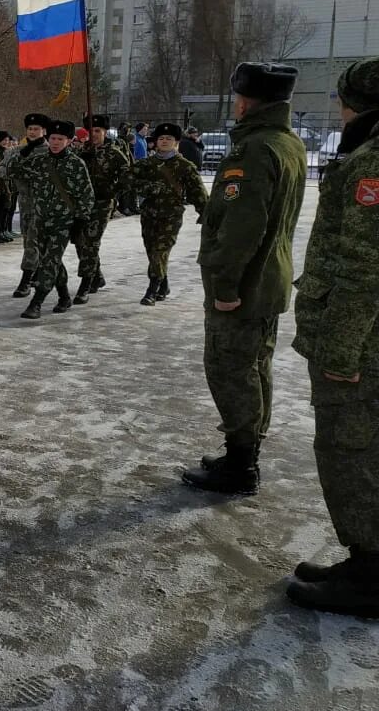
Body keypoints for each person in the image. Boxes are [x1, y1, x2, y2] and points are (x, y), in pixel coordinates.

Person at [182, 63, 306, 495]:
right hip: (269, 281)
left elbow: (241, 227)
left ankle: (241, 465)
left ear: (245, 100)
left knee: (231, 370)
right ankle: (244, 451)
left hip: (246, 287)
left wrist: (225, 288)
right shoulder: (287, 143)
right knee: (255, 368)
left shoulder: (253, 149)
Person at [286, 58, 379, 617]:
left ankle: (371, 576)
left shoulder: (371, 165)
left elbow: (365, 265)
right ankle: (368, 559)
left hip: (363, 343)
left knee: (352, 450)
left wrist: (341, 349)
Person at [16, 119, 95, 320]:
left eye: (61, 139)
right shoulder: (39, 160)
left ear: (69, 141)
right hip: (41, 220)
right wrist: (23, 152)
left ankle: (37, 302)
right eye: (52, 138)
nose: (56, 142)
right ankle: (64, 297)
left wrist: (81, 219)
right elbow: (12, 171)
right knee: (49, 260)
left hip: (64, 221)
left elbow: (86, 195)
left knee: (50, 260)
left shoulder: (76, 164)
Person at [132, 122, 208, 306]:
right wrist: (147, 187)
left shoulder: (185, 166)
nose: (164, 141)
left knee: (160, 251)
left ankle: (153, 288)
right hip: (149, 214)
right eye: (161, 138)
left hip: (171, 215)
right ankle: (164, 284)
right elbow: (128, 179)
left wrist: (207, 215)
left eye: (169, 139)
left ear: (176, 142)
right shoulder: (147, 164)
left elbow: (198, 192)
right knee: (152, 250)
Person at [73, 114, 130, 303]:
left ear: (105, 132)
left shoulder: (114, 153)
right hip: (82, 204)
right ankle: (97, 276)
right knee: (80, 241)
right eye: (90, 131)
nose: (94, 134)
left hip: (103, 203)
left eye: (97, 131)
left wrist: (112, 190)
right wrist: (83, 158)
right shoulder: (82, 152)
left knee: (91, 241)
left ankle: (86, 282)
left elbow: (128, 176)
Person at [1, 113, 49, 296]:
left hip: (45, 204)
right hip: (25, 204)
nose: (33, 132)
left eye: (36, 129)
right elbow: (0, 171)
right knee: (28, 241)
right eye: (30, 129)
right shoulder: (18, 151)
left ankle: (27, 279)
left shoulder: (50, 150)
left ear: (43, 131)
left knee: (34, 242)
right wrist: (15, 166)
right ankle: (36, 272)